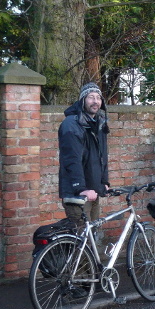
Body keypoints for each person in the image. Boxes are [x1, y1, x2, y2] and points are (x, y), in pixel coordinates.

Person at [58, 82, 110, 228]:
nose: (95, 101)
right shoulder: (71, 124)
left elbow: (102, 156)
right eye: (91, 97)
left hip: (93, 192)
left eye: (98, 98)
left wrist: (104, 182)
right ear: (82, 100)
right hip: (78, 194)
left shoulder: (98, 123)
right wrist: (81, 189)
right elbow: (71, 159)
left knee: (92, 236)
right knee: (81, 240)